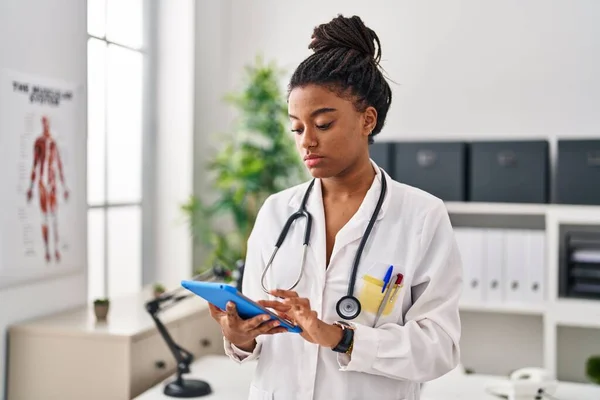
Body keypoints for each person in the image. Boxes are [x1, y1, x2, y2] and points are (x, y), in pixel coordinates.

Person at [208, 14, 462, 400]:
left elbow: (440, 347)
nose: (307, 141)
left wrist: (342, 338)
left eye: (323, 124)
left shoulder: (421, 217)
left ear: (367, 120)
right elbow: (255, 343)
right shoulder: (277, 212)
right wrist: (239, 336)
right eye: (297, 128)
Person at [26, 115, 69, 263]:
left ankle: (56, 250)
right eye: (44, 123)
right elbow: (35, 164)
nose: (46, 126)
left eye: (47, 123)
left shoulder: (53, 143)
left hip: (52, 184)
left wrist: (64, 187)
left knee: (54, 217)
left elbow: (59, 164)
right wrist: (31, 187)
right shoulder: (38, 142)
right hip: (42, 185)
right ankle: (46, 251)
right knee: (45, 218)